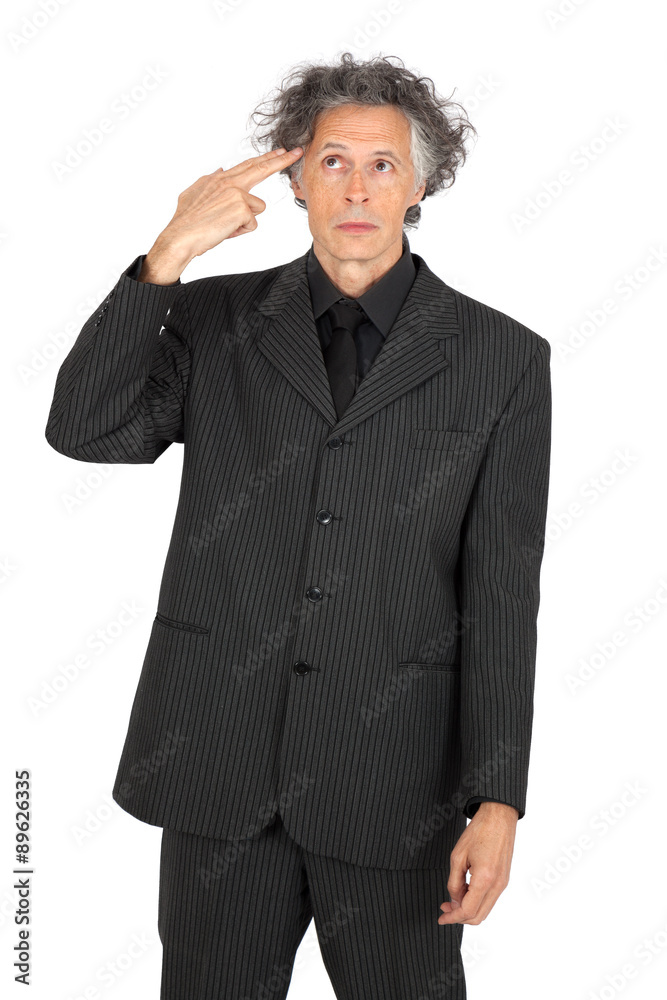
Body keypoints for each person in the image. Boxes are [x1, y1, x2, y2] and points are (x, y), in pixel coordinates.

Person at [45, 51, 552, 1000]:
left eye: (382, 164)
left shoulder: (502, 358)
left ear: (419, 185)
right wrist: (168, 254)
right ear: (294, 180)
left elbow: (500, 590)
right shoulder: (213, 318)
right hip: (217, 765)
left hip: (394, 782)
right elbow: (85, 430)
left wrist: (499, 799)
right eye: (331, 162)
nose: (356, 188)